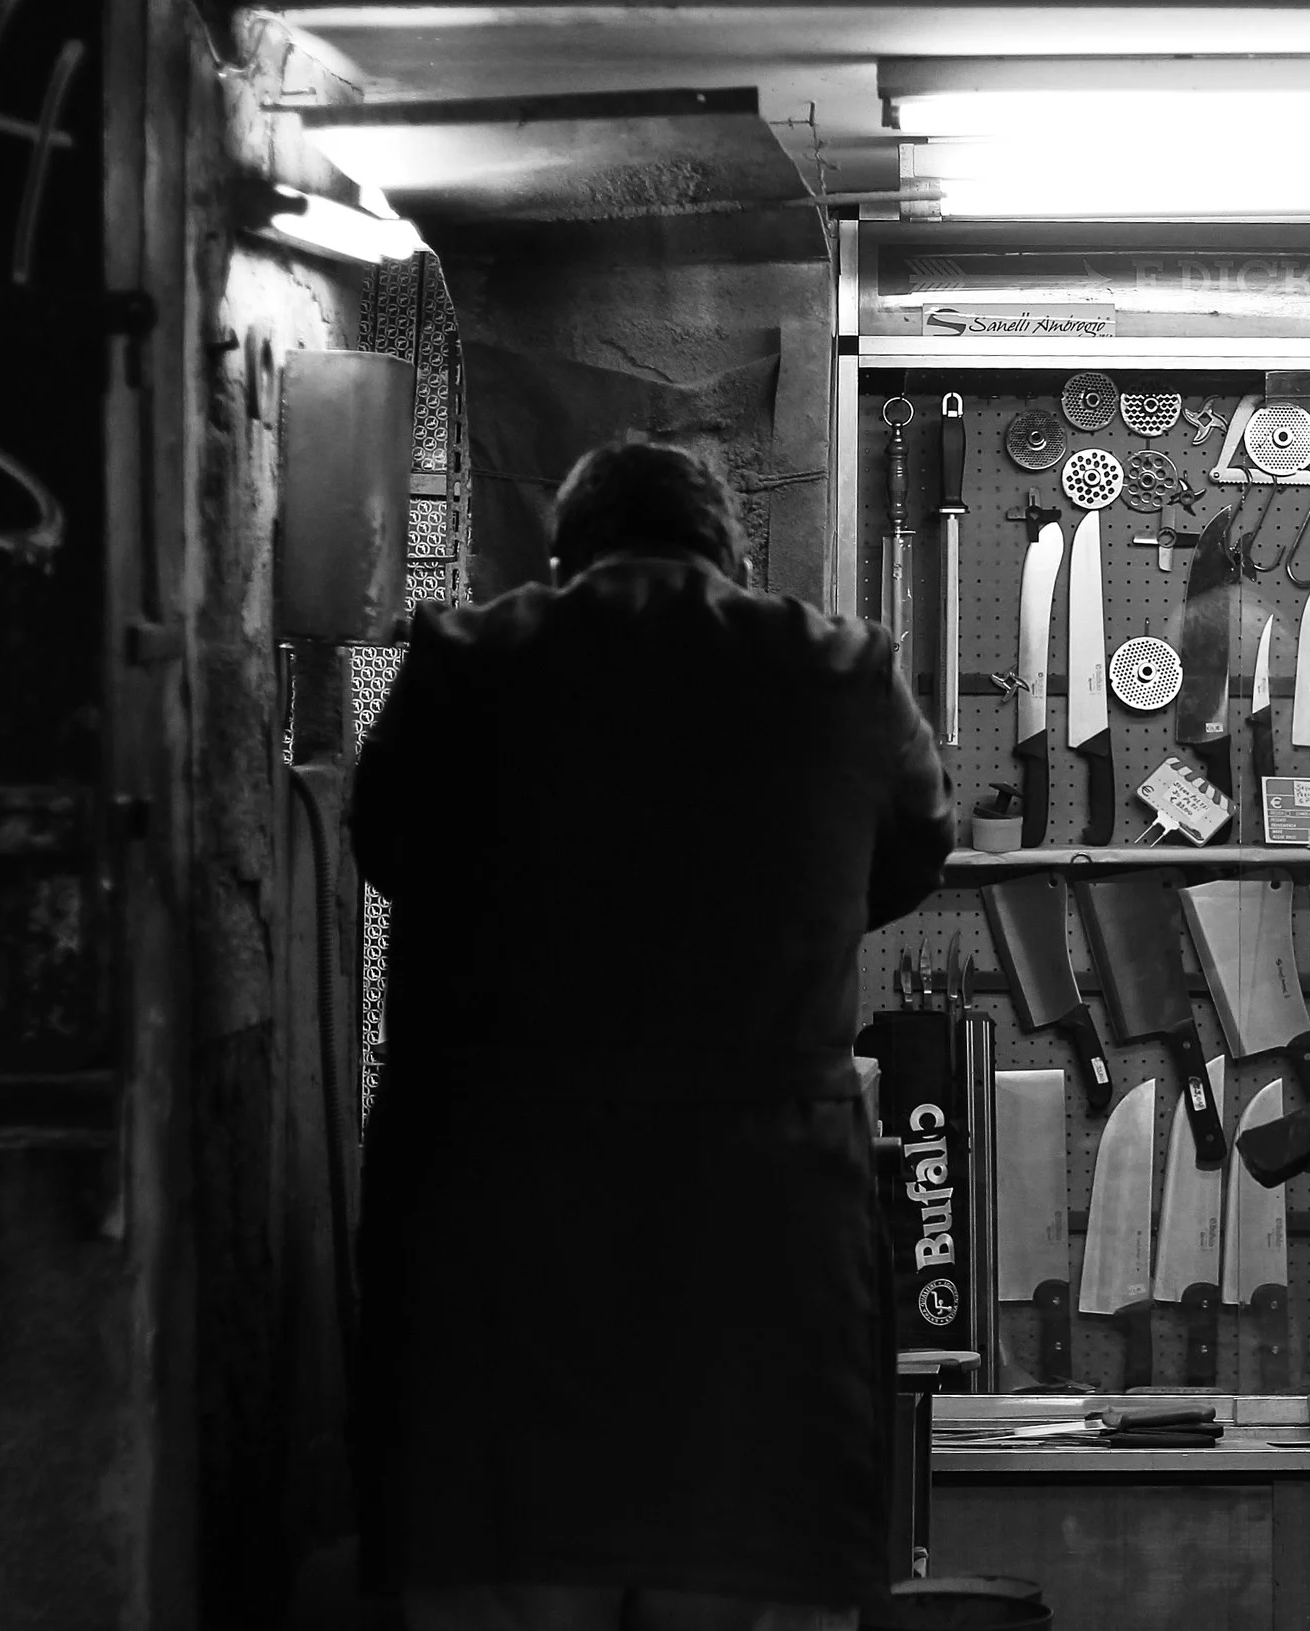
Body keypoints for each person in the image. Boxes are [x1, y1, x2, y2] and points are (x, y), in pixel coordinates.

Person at [350, 439, 951, 1631]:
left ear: (564, 557)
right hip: (763, 1219)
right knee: (746, 1567)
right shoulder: (843, 670)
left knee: (504, 1568)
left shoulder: (465, 657)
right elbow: (903, 858)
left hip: (498, 1219)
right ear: (728, 551)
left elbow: (388, 849)